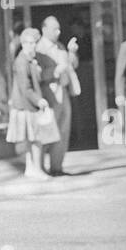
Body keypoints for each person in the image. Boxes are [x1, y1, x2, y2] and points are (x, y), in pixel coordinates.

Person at [6, 27, 55, 180]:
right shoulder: (22, 61)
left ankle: (31, 167)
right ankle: (35, 168)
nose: (34, 46)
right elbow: (25, 88)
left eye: (35, 42)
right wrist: (38, 100)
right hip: (27, 106)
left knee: (33, 139)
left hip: (27, 106)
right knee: (36, 139)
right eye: (31, 43)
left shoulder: (29, 60)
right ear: (24, 43)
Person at [36, 15, 81, 175]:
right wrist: (55, 71)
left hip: (63, 92)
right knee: (47, 131)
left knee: (63, 131)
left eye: (59, 29)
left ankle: (57, 167)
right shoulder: (39, 48)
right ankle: (40, 167)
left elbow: (73, 65)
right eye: (55, 29)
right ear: (44, 29)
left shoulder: (60, 46)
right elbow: (37, 74)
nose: (58, 32)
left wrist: (71, 52)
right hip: (49, 94)